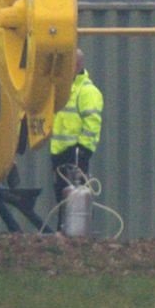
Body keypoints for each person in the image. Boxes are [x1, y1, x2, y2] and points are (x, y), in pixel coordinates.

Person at [50, 49, 103, 208]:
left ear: (76, 66)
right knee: (62, 195)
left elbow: (92, 124)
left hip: (76, 153)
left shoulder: (87, 91)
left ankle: (76, 231)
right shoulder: (61, 89)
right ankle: (64, 229)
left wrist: (84, 151)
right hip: (59, 152)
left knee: (76, 196)